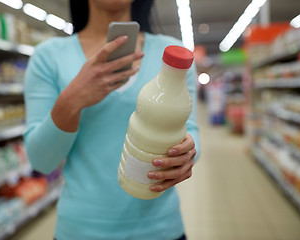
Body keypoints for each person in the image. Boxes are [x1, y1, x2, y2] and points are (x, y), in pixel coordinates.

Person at [24, 0, 200, 239]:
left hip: (161, 228)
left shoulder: (172, 55)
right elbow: (41, 161)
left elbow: (191, 133)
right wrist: (72, 99)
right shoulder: (48, 56)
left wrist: (186, 154)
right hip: (81, 229)